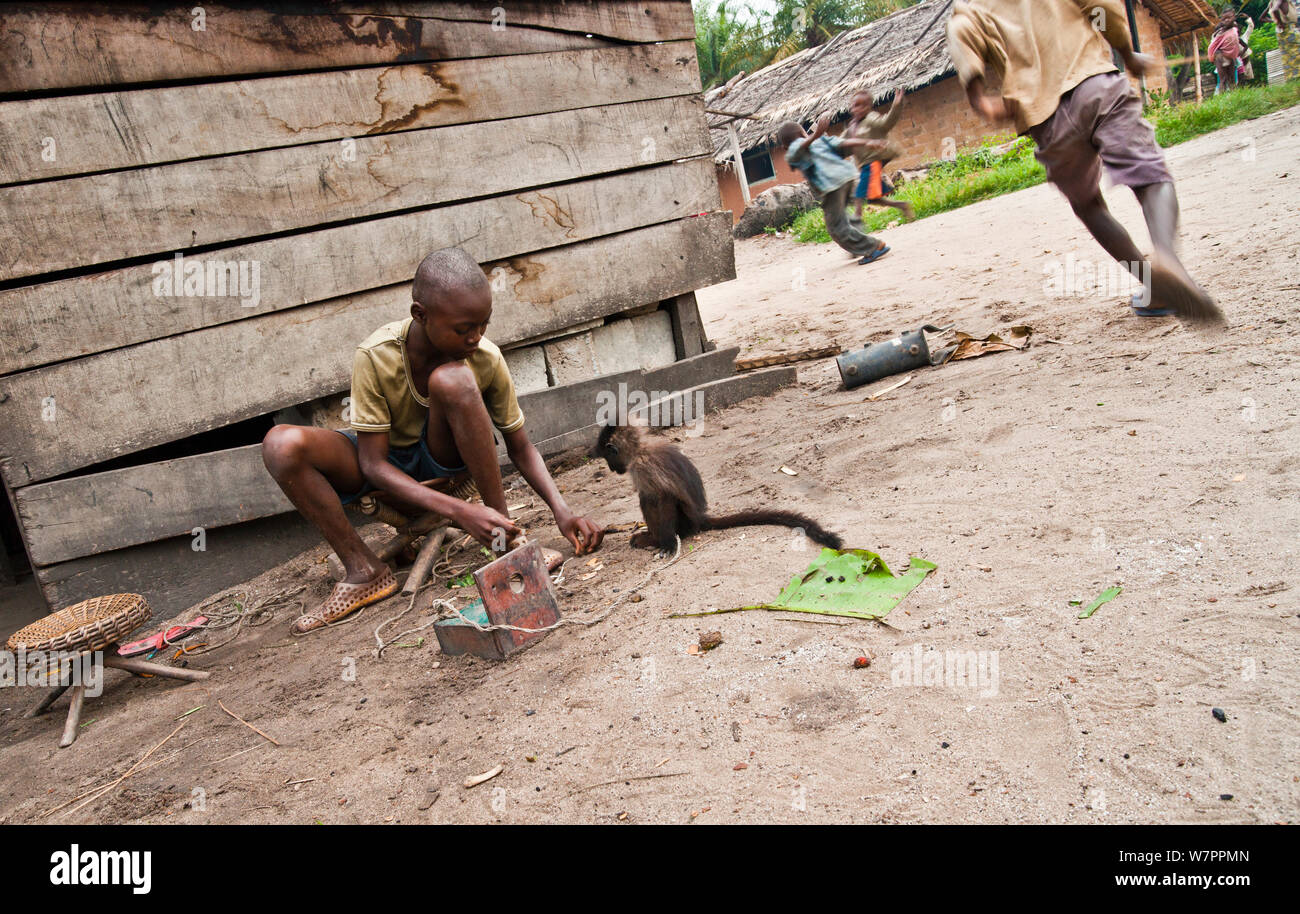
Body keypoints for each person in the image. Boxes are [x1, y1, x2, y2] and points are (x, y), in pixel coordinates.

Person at [262, 247, 604, 633]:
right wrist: (459, 511)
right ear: (420, 315)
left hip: (445, 463)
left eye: (483, 325)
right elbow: (373, 464)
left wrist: (562, 510)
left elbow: (520, 447)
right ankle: (364, 569)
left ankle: (502, 538)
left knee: (453, 379)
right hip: (386, 470)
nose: (475, 337)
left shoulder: (485, 359)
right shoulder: (375, 356)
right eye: (463, 329)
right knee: (280, 444)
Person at [947, 0, 1223, 324]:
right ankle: (1168, 260)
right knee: (1149, 174)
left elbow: (962, 39)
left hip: (1044, 118)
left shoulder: (968, 8)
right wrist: (1128, 53)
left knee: (1089, 205)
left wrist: (981, 100)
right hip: (1096, 84)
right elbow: (1101, 8)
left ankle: (1153, 285)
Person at [777, 116, 891, 265]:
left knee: (836, 228)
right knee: (843, 217)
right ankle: (857, 246)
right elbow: (844, 143)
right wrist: (868, 142)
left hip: (831, 186)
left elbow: (798, 148)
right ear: (803, 132)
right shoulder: (821, 141)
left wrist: (816, 134)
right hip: (848, 176)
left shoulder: (796, 146)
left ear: (785, 146)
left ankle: (873, 247)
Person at [848, 89, 916, 224]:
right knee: (874, 199)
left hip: (873, 162)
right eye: (854, 105)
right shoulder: (852, 126)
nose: (856, 109)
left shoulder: (871, 118)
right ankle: (903, 206)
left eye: (861, 105)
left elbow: (886, 123)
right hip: (864, 165)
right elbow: (844, 142)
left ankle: (857, 218)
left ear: (868, 107)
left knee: (859, 193)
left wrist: (896, 106)